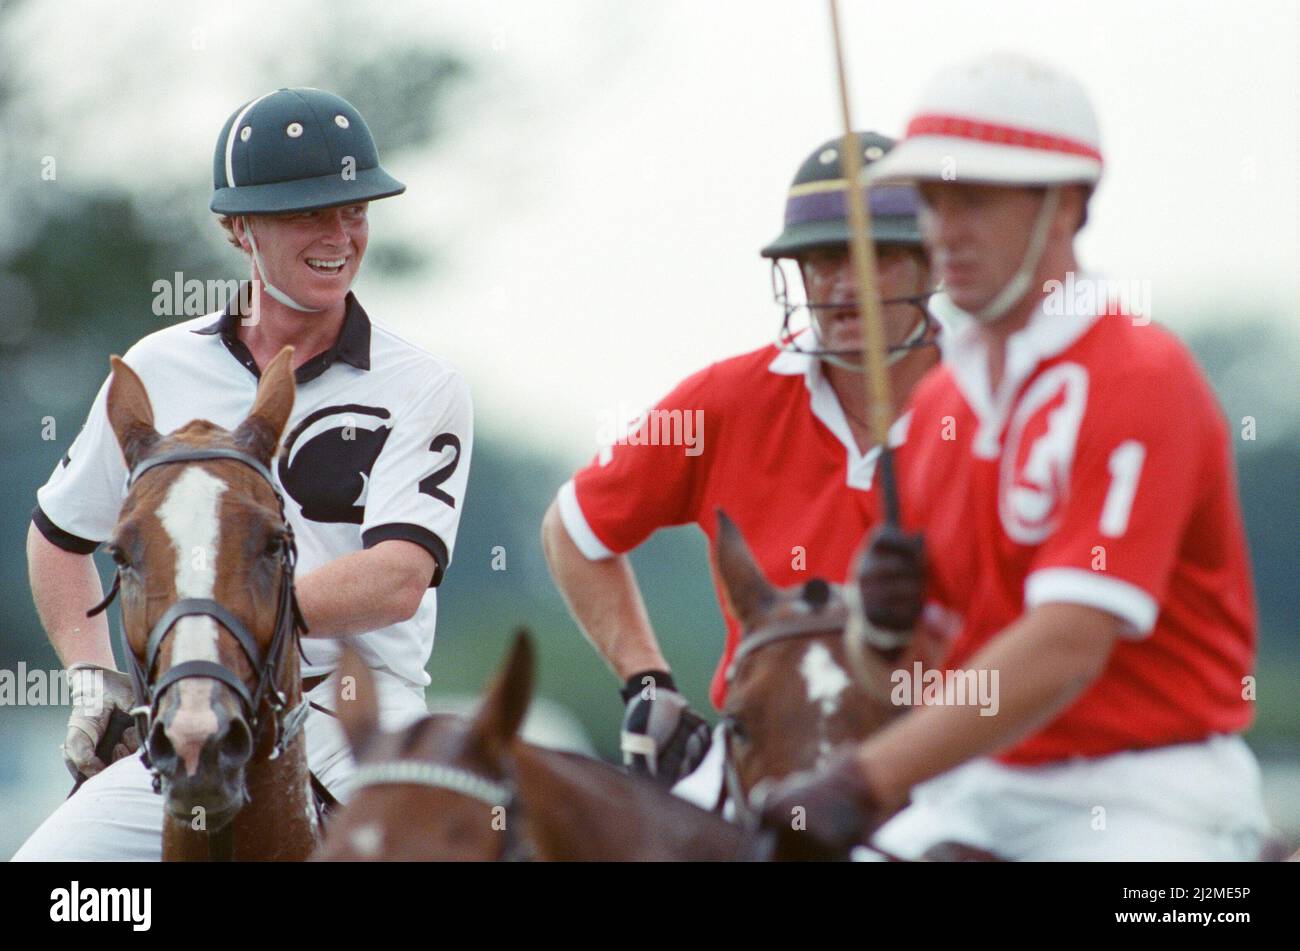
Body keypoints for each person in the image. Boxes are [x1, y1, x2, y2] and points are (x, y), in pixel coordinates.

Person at [760, 55, 1271, 861]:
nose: (943, 230)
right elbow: (915, 679)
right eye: (932, 201)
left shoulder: (1138, 375)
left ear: (1065, 204)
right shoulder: (938, 405)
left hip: (1151, 802)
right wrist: (881, 632)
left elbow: (1069, 641)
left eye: (975, 200)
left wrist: (863, 779)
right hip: (979, 792)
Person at [16, 87, 472, 860]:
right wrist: (95, 677)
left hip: (359, 723)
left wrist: (206, 626)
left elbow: (398, 576)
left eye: (355, 210)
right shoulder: (157, 365)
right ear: (238, 228)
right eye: (308, 214)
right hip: (190, 718)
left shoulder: (421, 384)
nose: (339, 234)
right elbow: (59, 536)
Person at [540, 132, 941, 800]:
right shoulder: (727, 401)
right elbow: (573, 530)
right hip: (761, 761)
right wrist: (646, 681)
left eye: (872, 258)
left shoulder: (992, 407)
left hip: (943, 753)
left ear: (931, 265)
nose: (842, 284)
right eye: (818, 260)